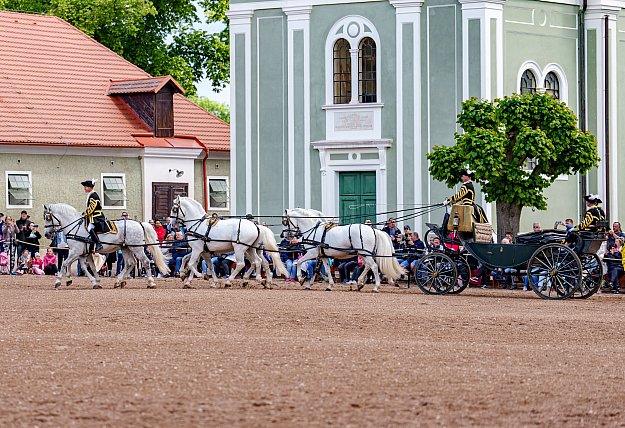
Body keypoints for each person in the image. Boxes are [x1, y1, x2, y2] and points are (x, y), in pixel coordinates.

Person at [81, 179, 109, 251]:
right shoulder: (91, 194)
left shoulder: (94, 195)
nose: (84, 188)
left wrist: (85, 214)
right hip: (93, 215)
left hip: (96, 216)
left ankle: (98, 244)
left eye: (86, 187)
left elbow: (91, 208)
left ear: (90, 187)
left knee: (90, 228)